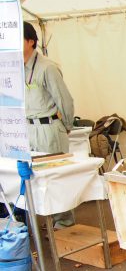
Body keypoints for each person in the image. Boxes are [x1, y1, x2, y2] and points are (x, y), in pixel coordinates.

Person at [23, 21, 75, 229]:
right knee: (34, 178)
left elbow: (65, 100)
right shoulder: (14, 68)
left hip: (49, 127)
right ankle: (45, 221)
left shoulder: (47, 67)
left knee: (56, 178)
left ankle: (64, 224)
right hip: (28, 128)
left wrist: (67, 126)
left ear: (31, 41)